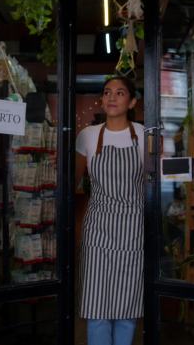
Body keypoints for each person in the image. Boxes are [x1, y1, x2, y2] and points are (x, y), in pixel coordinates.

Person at [75, 76, 145, 345]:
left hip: (132, 229)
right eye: (107, 93)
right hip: (98, 231)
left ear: (132, 101)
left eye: (120, 92)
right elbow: (73, 183)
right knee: (97, 308)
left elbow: (156, 181)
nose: (112, 97)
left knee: (127, 309)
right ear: (102, 100)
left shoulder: (144, 135)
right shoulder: (88, 136)